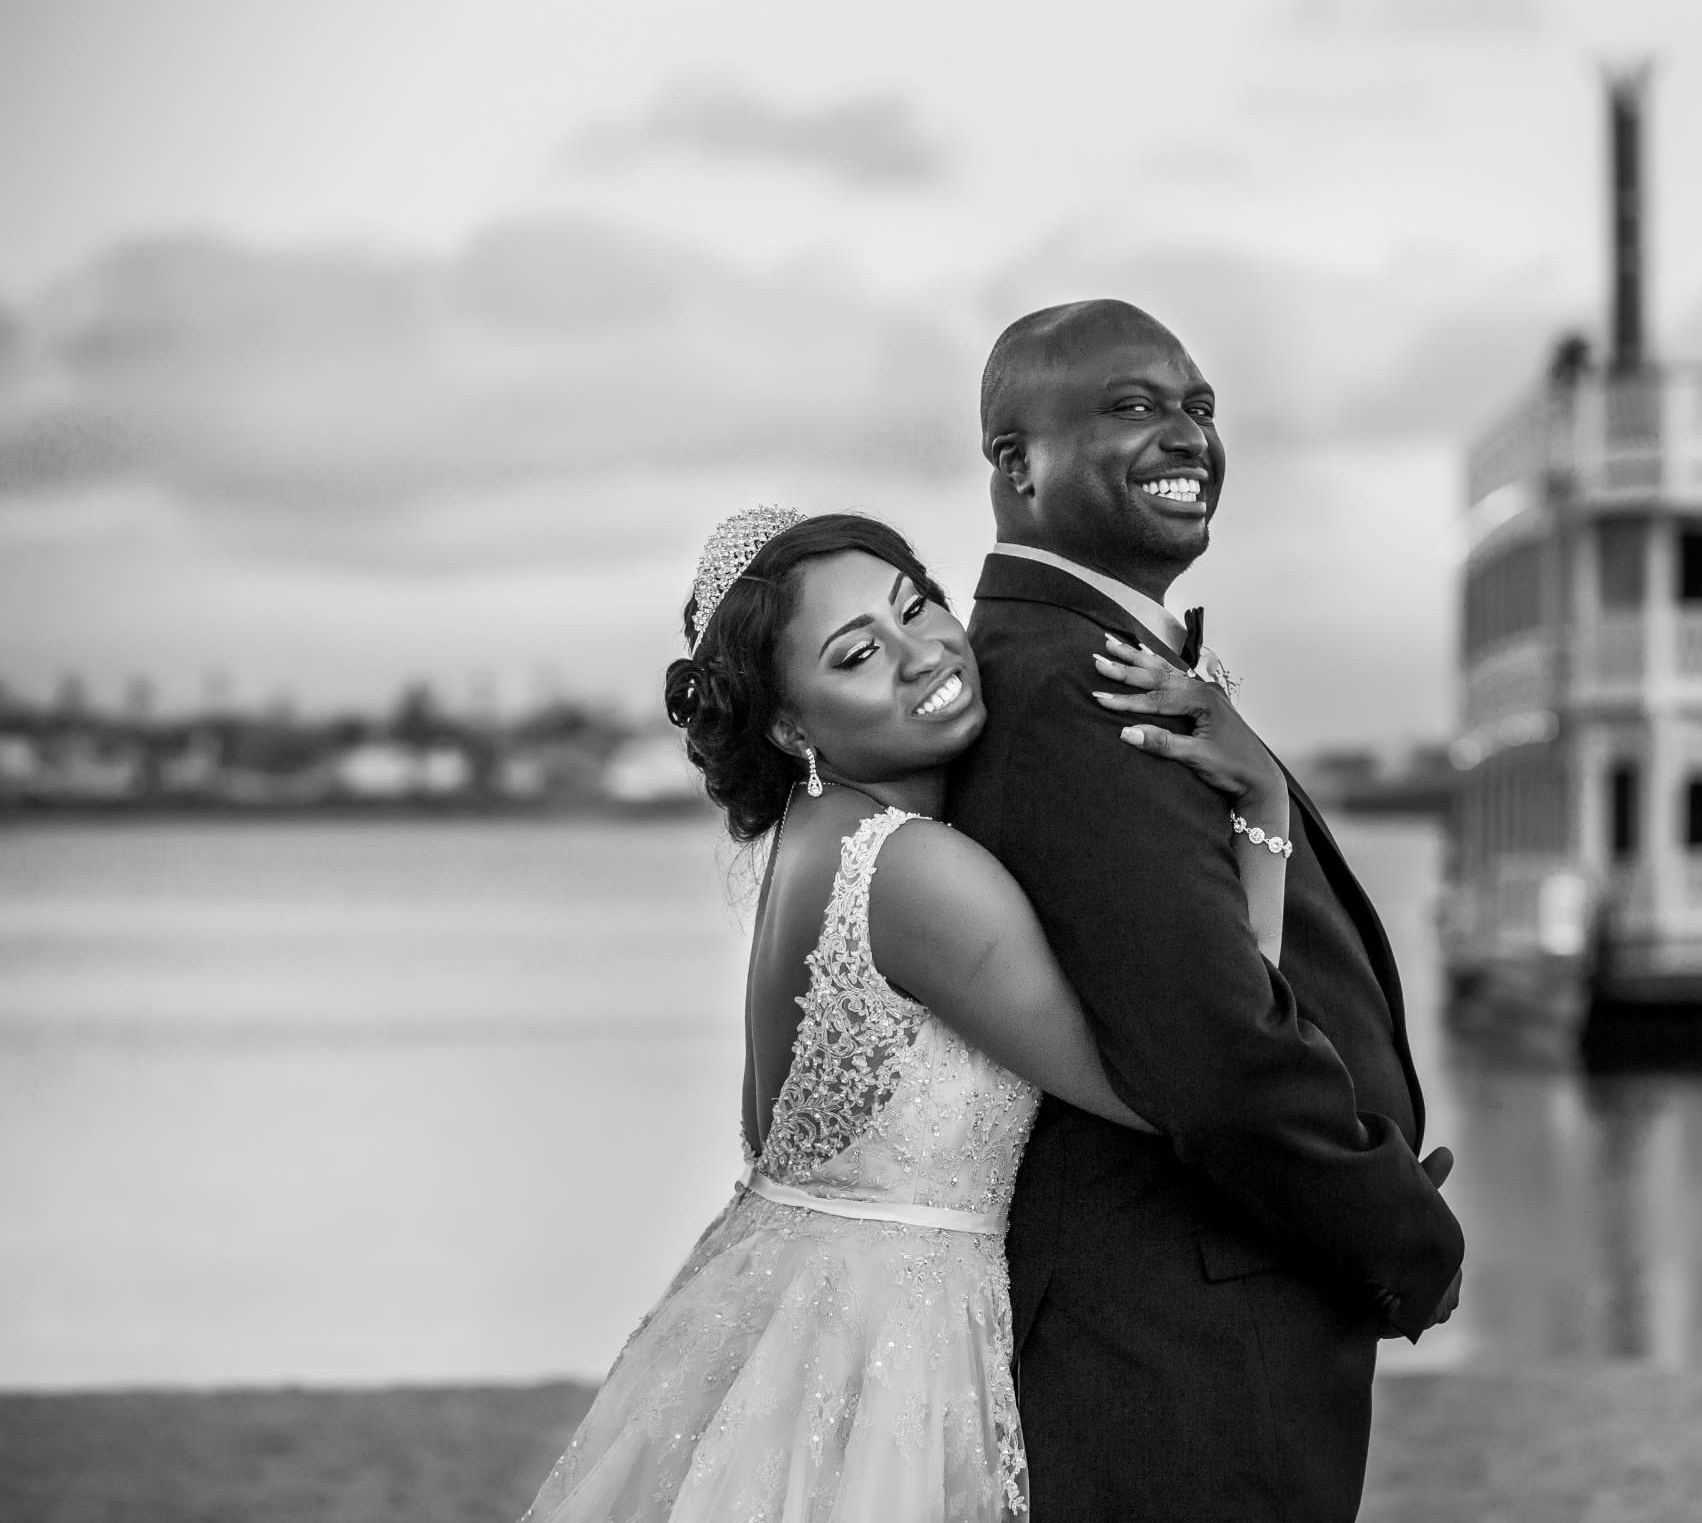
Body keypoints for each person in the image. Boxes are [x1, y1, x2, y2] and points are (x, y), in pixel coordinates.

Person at [522, 506, 1303, 1522]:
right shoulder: (912, 868)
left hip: (777, 1314)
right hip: (883, 1358)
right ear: (791, 725)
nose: (921, 652)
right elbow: (1184, 1080)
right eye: (857, 654)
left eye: (915, 605)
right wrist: (1263, 809)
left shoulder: (813, 839)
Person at [949, 300, 1466, 1523]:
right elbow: (1212, 1054)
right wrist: (1402, 1236)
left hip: (1215, 1323)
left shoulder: (1095, 665)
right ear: (1016, 466)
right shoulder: (1071, 690)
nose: (1187, 436)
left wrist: (1263, 801)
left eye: (1199, 407)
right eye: (1132, 407)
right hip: (1176, 1360)